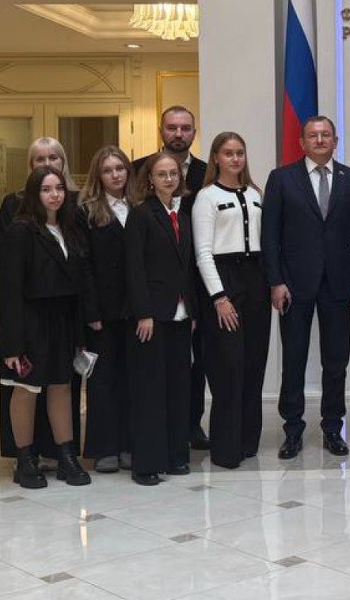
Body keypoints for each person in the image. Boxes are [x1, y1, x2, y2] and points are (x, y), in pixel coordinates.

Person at [263, 116, 350, 459]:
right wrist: (275, 281)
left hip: (339, 284)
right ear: (302, 142)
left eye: (326, 135)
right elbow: (270, 235)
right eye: (313, 135)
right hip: (294, 285)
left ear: (335, 141)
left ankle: (332, 428)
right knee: (293, 359)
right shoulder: (282, 178)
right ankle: (292, 429)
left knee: (336, 361)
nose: (320, 140)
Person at [0, 166, 92, 489]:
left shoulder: (70, 228)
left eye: (59, 188)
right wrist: (12, 344)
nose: (54, 195)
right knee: (27, 389)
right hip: (30, 322)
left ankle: (66, 456)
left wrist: (79, 333)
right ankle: (25, 459)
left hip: (63, 321)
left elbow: (78, 284)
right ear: (34, 193)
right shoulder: (20, 230)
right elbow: (9, 291)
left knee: (62, 386)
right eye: (46, 189)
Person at [135, 105, 211, 451]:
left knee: (193, 363)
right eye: (171, 127)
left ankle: (190, 426)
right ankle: (156, 438)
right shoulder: (138, 169)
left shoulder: (207, 172)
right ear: (161, 130)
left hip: (195, 284)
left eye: (185, 128)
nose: (178, 134)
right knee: (154, 369)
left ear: (194, 132)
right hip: (156, 288)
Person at [192, 132, 270, 469]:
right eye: (228, 153)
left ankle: (248, 440)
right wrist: (219, 297)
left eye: (240, 152)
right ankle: (226, 447)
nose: (235, 158)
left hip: (256, 280)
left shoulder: (255, 193)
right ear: (216, 158)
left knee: (254, 363)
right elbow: (203, 253)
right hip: (225, 281)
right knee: (228, 367)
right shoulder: (206, 197)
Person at [126, 152, 198, 485]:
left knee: (178, 387)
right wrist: (143, 313)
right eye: (162, 174)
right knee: (151, 390)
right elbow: (135, 269)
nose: (169, 179)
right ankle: (147, 463)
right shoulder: (141, 215)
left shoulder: (182, 215)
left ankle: (175, 456)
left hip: (181, 315)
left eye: (173, 174)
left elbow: (188, 267)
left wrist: (192, 310)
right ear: (150, 180)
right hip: (153, 316)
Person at [79, 146, 135, 474]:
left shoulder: (140, 207)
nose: (115, 175)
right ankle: (104, 448)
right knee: (102, 380)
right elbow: (84, 266)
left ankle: (129, 443)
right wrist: (91, 310)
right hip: (102, 310)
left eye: (120, 168)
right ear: (98, 176)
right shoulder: (87, 212)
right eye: (108, 170)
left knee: (132, 378)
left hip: (135, 309)